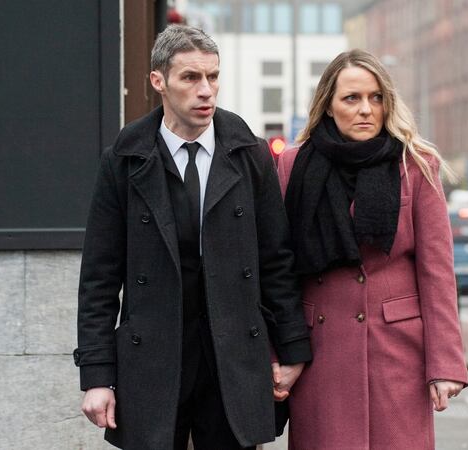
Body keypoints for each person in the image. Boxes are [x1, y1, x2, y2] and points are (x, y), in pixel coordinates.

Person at [73, 24, 311, 450]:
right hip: (152, 356)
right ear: (158, 81)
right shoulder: (124, 161)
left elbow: (277, 259)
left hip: (232, 357)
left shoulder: (249, 154)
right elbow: (99, 278)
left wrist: (292, 350)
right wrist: (97, 376)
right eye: (191, 78)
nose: (206, 90)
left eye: (213, 76)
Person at [277, 49, 468, 450]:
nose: (366, 109)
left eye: (376, 97)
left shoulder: (415, 165)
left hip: (397, 353)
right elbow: (278, 267)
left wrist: (445, 364)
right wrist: (278, 350)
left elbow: (437, 272)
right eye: (351, 98)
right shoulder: (293, 166)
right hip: (321, 352)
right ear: (328, 105)